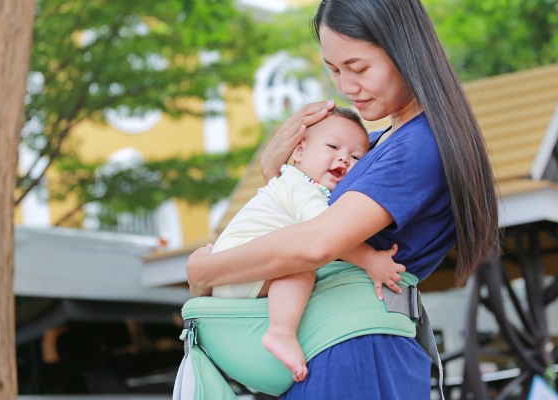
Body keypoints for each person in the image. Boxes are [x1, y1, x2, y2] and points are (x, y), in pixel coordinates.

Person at [187, 0, 499, 398]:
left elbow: (316, 243)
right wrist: (276, 173)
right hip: (339, 347)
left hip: (356, 350)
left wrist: (206, 272)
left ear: (404, 49)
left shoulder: (419, 147)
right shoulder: (376, 144)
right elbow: (305, 217)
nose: (345, 87)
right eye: (334, 69)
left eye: (358, 68)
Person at [210, 107, 405, 382]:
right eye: (333, 146)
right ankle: (281, 333)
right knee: (303, 261)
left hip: (234, 273)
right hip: (239, 269)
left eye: (355, 157)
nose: (343, 158)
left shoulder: (297, 186)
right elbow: (329, 234)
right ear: (299, 151)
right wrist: (371, 259)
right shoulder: (301, 186)